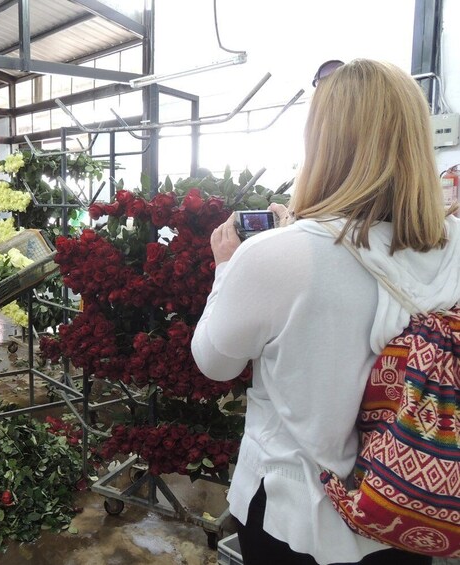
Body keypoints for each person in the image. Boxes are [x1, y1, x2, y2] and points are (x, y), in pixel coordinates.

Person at [192, 58, 460, 565]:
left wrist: (227, 268)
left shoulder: (276, 257)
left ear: (321, 143)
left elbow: (215, 362)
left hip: (298, 519)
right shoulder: (455, 247)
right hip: (412, 511)